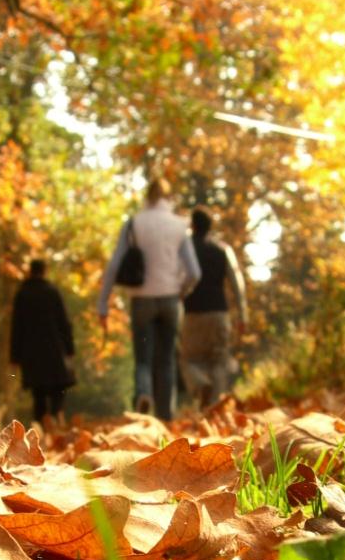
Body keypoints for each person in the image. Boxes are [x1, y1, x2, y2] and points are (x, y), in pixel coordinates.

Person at [98, 178, 201, 420]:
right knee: (166, 359)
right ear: (168, 197)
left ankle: (144, 395)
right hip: (170, 298)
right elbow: (195, 272)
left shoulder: (134, 223)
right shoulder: (179, 225)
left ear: (147, 196)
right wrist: (182, 290)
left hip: (141, 299)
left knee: (143, 358)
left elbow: (114, 265)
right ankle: (166, 417)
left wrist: (103, 303)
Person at [180, 207, 248, 408]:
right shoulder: (223, 250)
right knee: (219, 362)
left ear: (192, 225)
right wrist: (243, 316)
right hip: (219, 313)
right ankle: (215, 408)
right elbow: (238, 284)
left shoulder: (185, 250)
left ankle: (200, 385)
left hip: (192, 314)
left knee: (189, 360)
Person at [10, 258, 76, 425]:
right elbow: (64, 322)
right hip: (54, 348)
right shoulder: (52, 292)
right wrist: (69, 348)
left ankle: (41, 426)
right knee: (58, 387)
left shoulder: (22, 294)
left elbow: (17, 326)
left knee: (38, 392)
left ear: (30, 271)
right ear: (44, 271)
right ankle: (55, 417)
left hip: (31, 352)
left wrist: (15, 356)